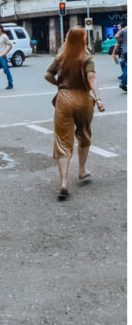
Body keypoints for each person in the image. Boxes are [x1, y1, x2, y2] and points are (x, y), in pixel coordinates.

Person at [45, 26, 105, 200]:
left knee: (63, 140)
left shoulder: (61, 56)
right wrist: (98, 99)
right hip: (83, 98)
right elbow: (91, 77)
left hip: (64, 98)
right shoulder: (86, 56)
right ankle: (82, 170)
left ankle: (64, 182)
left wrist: (59, 85)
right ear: (83, 39)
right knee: (84, 134)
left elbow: (48, 75)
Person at [112, 20, 127, 92]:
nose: (118, 27)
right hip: (123, 52)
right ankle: (124, 81)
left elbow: (116, 38)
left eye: (119, 26)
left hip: (124, 52)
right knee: (125, 66)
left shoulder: (122, 31)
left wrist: (114, 52)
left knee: (125, 66)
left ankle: (124, 80)